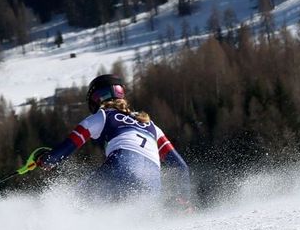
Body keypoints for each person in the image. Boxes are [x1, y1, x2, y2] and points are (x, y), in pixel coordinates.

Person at [39, 74, 190, 204]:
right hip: (152, 185)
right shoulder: (150, 124)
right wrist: (184, 200)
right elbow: (181, 167)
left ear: (95, 100)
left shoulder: (102, 116)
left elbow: (67, 146)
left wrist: (45, 160)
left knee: (75, 200)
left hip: (122, 166)